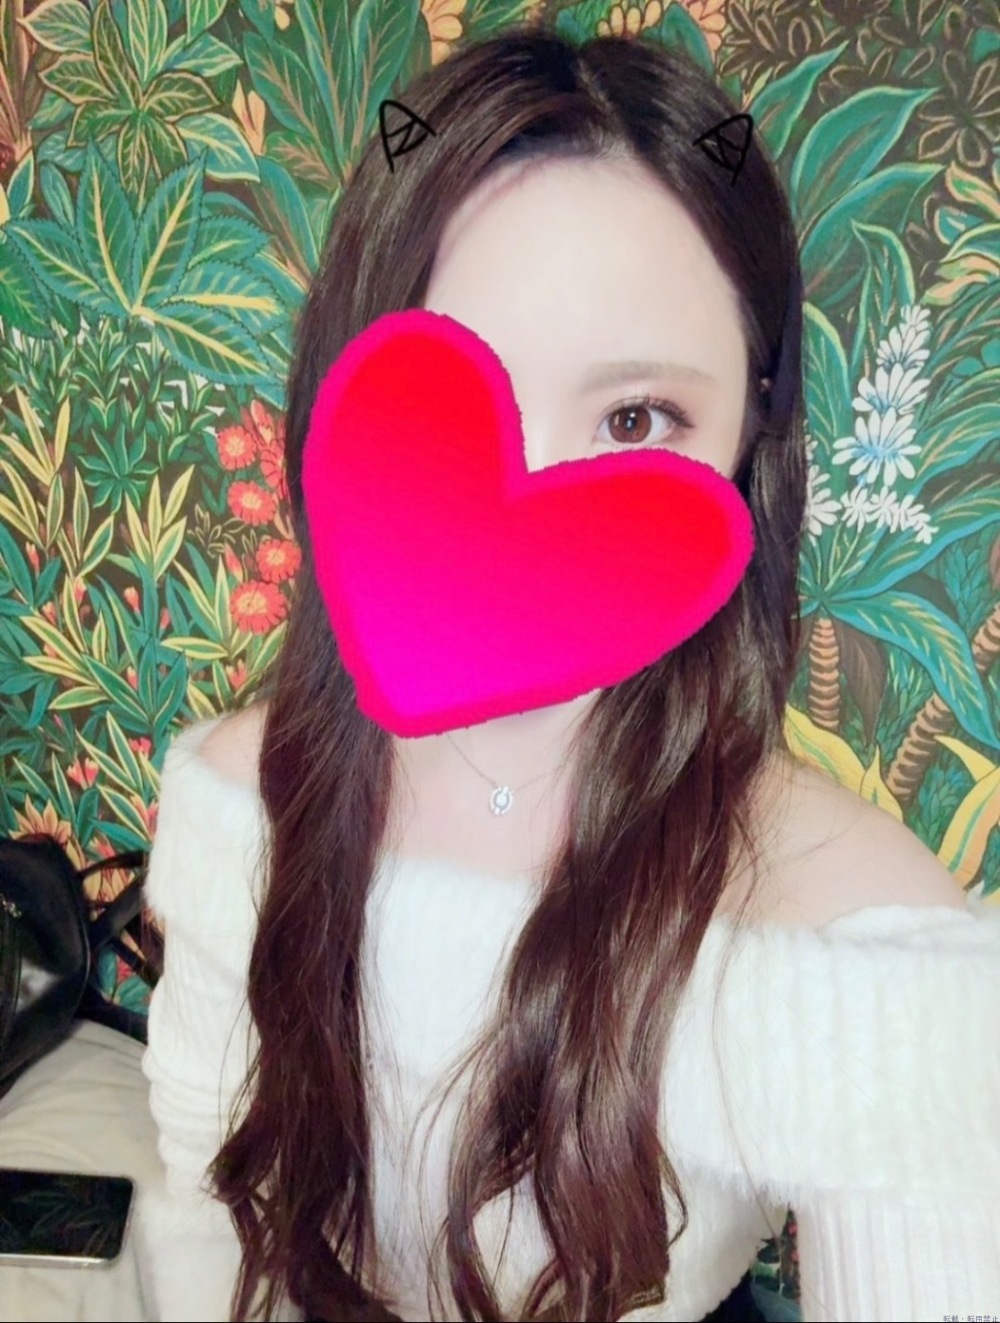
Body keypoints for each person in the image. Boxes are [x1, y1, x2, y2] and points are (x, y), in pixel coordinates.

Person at [138, 26, 1000, 1323]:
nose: (529, 505)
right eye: (454, 392)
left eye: (635, 420)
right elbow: (203, 1212)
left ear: (746, 446)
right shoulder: (232, 801)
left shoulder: (860, 948)